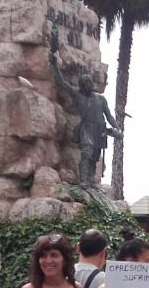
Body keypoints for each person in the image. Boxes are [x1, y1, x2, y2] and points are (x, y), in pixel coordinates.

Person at [50, 52, 122, 187]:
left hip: (100, 129)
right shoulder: (77, 95)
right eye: (87, 83)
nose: (90, 84)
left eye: (90, 82)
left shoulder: (101, 99)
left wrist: (116, 127)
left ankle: (91, 180)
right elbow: (62, 83)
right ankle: (83, 179)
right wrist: (54, 65)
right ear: (83, 85)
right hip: (87, 128)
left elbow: (109, 115)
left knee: (95, 157)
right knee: (86, 153)